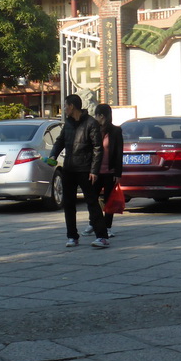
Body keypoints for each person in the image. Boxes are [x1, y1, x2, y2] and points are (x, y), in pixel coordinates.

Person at [49, 94, 109, 248]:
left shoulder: (91, 123)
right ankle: (72, 236)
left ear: (72, 107)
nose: (64, 109)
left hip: (85, 169)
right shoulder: (67, 124)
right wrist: (52, 155)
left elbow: (98, 148)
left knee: (92, 203)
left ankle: (101, 236)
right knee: (68, 204)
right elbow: (60, 141)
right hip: (69, 168)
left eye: (65, 105)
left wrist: (94, 170)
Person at [83, 103, 124, 238]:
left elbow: (119, 153)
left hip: (110, 172)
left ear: (102, 116)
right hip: (95, 172)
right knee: (92, 199)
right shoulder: (93, 130)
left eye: (97, 115)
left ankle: (107, 227)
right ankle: (93, 223)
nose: (95, 118)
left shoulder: (116, 131)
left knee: (109, 201)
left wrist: (118, 173)